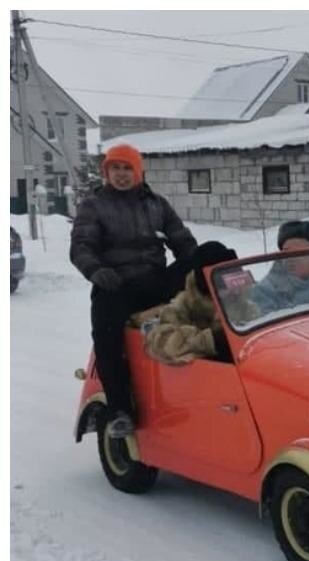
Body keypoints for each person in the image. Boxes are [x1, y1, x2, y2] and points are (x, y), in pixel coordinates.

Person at [70, 143, 197, 438]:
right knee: (106, 333)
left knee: (216, 252)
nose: (121, 174)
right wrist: (97, 271)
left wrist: (196, 266)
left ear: (138, 171)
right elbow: (81, 246)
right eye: (115, 168)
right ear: (106, 172)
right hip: (116, 285)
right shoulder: (94, 205)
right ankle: (119, 411)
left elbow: (182, 240)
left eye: (127, 168)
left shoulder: (156, 204)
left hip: (155, 280)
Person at [144, 241, 251, 366]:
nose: (234, 289)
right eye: (224, 281)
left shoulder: (242, 305)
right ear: (207, 285)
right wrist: (211, 340)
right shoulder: (183, 306)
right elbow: (161, 343)